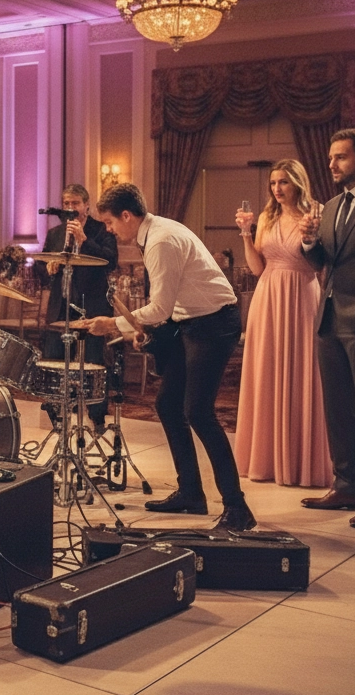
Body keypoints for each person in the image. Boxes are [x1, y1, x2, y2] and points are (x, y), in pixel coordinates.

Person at [83, 183, 256, 531]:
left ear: (127, 216)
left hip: (214, 323)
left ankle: (237, 508)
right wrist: (146, 331)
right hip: (191, 321)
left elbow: (160, 307)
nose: (108, 229)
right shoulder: (156, 231)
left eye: (110, 222)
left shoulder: (160, 240)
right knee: (168, 404)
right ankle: (191, 491)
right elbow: (170, 307)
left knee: (198, 412)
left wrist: (114, 323)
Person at [234, 160, 332, 487]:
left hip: (302, 294)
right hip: (268, 297)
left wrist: (311, 237)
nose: (277, 189)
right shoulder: (266, 217)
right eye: (273, 183)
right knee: (266, 372)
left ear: (298, 184)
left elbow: (320, 263)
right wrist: (246, 235)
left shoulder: (315, 214)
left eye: (284, 182)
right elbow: (258, 268)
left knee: (303, 372)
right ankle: (264, 459)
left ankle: (300, 462)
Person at [299, 128, 355, 527]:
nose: (332, 165)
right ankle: (346, 485)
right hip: (329, 317)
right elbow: (321, 261)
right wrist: (309, 243)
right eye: (330, 158)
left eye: (341, 157)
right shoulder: (328, 206)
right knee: (337, 408)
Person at [33, 184, 117, 434]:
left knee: (92, 362)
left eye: (75, 204)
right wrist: (48, 268)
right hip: (60, 306)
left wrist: (84, 240)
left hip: (90, 307)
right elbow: (41, 264)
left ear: (86, 205)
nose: (70, 208)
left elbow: (110, 262)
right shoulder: (55, 232)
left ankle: (97, 417)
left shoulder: (101, 229)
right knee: (54, 360)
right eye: (66, 203)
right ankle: (58, 413)